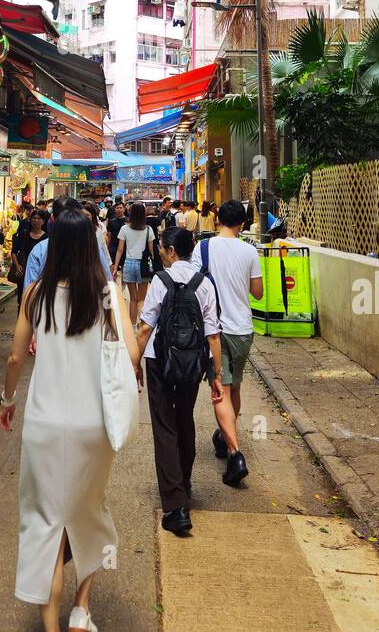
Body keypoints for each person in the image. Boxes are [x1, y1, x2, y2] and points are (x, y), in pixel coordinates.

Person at [0, 207, 140, 632]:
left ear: (53, 245)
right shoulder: (106, 293)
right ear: (92, 246)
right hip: (91, 427)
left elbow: (17, 355)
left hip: (43, 424)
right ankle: (81, 608)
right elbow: (133, 353)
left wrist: (6, 398)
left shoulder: (35, 294)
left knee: (44, 524)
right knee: (86, 511)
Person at [137, 226, 229, 535]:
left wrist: (134, 363)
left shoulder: (160, 282)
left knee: (164, 427)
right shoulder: (205, 284)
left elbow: (145, 329)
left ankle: (176, 506)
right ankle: (184, 484)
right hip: (192, 363)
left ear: (172, 251)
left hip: (159, 361)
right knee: (184, 420)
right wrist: (217, 375)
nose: (160, 252)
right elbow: (213, 335)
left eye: (162, 248)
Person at [192, 199, 264, 487]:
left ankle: (235, 453)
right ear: (243, 223)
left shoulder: (204, 248)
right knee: (234, 386)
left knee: (219, 386)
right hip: (243, 330)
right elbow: (257, 293)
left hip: (215, 329)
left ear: (218, 217)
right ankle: (224, 436)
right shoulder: (250, 251)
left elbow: (194, 284)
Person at [25, 198, 113, 285]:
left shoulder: (39, 250)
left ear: (52, 218)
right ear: (79, 218)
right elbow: (107, 285)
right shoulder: (92, 249)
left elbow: (30, 290)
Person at [111, 202, 155, 327]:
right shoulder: (148, 230)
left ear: (130, 213)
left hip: (129, 264)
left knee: (133, 299)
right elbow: (151, 251)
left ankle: (131, 327)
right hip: (143, 266)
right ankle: (142, 326)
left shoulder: (124, 229)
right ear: (143, 213)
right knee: (141, 299)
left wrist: (115, 266)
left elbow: (120, 250)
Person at [13, 207, 48, 309]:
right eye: (34, 218)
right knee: (22, 299)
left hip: (41, 272)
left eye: (39, 219)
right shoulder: (24, 235)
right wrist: (17, 265)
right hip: (23, 271)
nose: (36, 221)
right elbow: (14, 251)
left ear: (43, 221)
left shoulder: (47, 238)